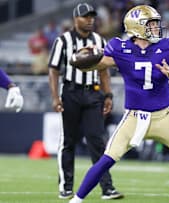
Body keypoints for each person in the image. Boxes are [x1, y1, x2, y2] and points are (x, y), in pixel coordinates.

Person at [69, 5, 169, 203]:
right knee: (106, 159)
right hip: (134, 117)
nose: (157, 28)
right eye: (151, 24)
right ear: (136, 27)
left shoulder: (167, 46)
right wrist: (84, 59)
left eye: (156, 24)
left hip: (164, 117)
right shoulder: (119, 47)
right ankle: (76, 200)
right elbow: (98, 64)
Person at [48, 3, 123, 200]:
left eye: (91, 17)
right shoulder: (63, 40)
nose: (90, 20)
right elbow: (53, 70)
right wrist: (55, 97)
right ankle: (66, 186)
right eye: (85, 17)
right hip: (71, 92)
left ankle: (107, 188)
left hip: (93, 94)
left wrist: (108, 95)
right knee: (68, 141)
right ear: (75, 19)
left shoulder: (99, 40)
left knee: (97, 141)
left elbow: (104, 71)